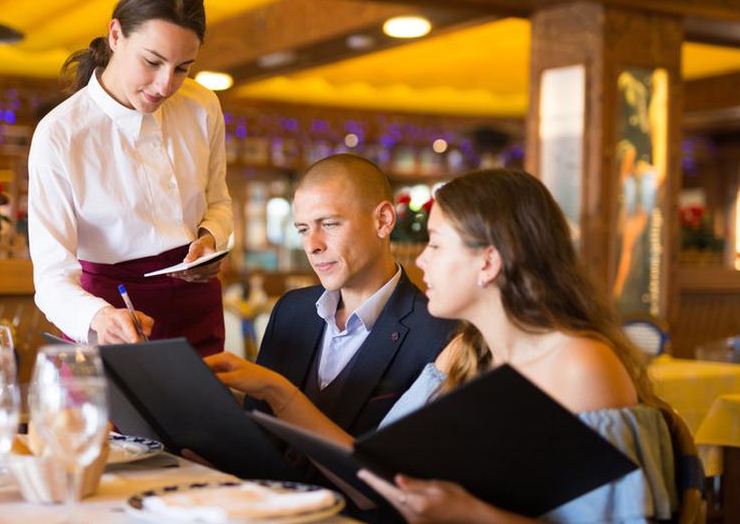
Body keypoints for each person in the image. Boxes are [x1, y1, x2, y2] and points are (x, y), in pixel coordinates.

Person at [207, 168, 678, 522]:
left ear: (488, 261)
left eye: (435, 244)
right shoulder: (463, 353)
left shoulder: (582, 364)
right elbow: (375, 474)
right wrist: (276, 392)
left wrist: (471, 514)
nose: (423, 262)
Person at [28, 0, 231, 354]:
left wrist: (210, 239)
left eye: (183, 68)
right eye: (152, 62)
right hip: (112, 315)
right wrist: (99, 318)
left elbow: (219, 201)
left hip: (197, 305)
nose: (165, 85)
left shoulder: (203, 106)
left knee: (204, 415)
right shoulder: (60, 135)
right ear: (116, 35)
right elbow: (52, 277)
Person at [246, 154, 456, 439]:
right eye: (303, 229)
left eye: (329, 224)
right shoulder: (290, 310)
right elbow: (254, 430)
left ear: (383, 220)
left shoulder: (438, 333)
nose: (312, 245)